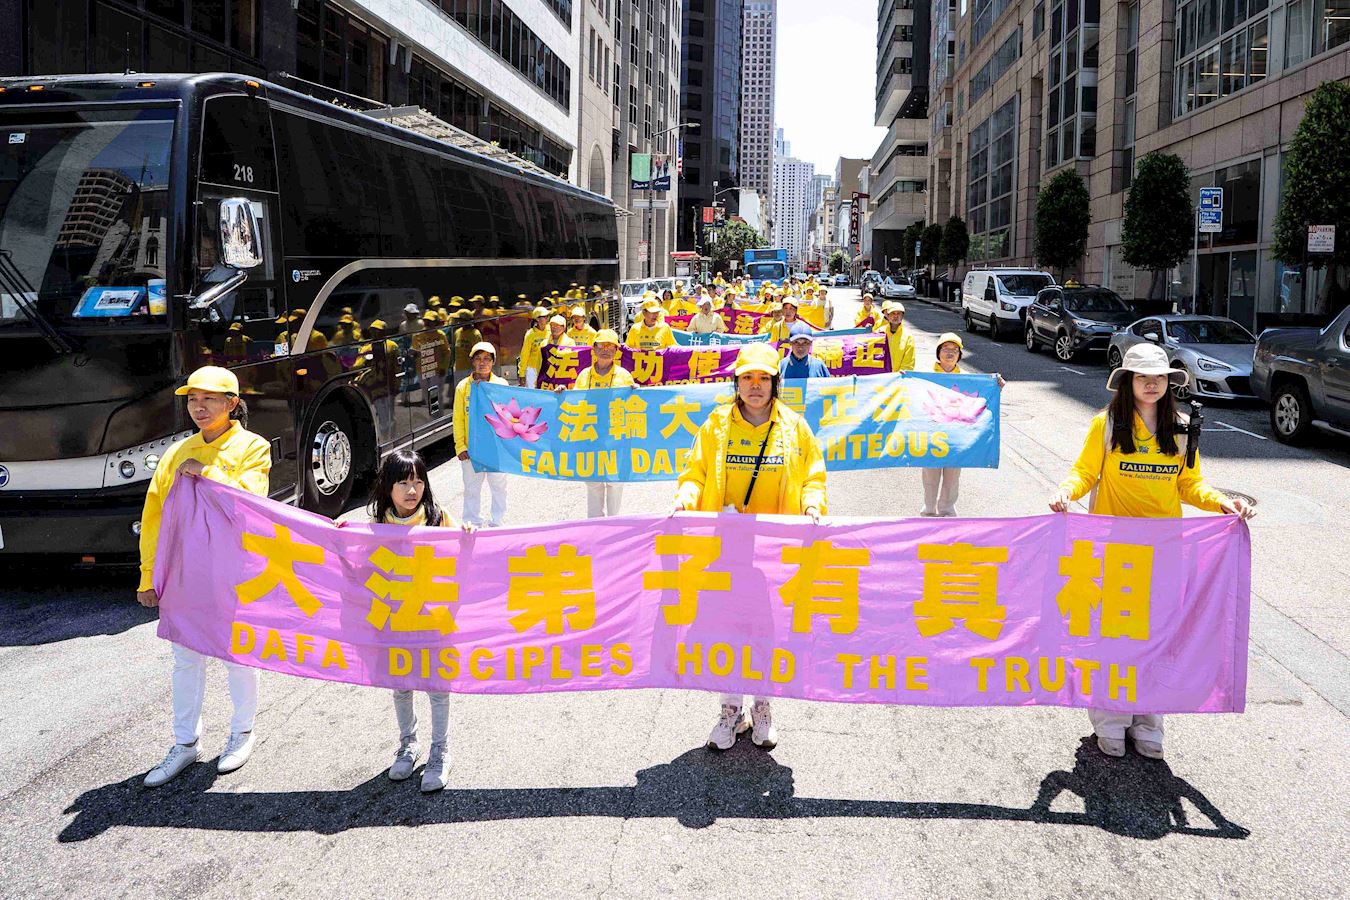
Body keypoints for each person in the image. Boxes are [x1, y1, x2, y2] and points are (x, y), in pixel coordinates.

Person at [1048, 342, 1256, 761]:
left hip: (1164, 553)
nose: (1151, 384)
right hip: (1114, 553)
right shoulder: (1106, 424)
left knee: (1158, 639)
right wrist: (1066, 493)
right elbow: (1085, 472)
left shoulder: (1181, 427)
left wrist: (1222, 503)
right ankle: (1110, 721)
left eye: (1159, 377)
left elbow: (1189, 484)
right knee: (1114, 638)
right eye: (1142, 377)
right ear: (1127, 382)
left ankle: (1148, 723)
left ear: (1169, 383)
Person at [672, 342, 827, 752]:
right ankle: (730, 710)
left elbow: (813, 477)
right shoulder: (716, 425)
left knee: (767, 630)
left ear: (775, 383)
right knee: (726, 628)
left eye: (763, 378)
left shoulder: (795, 428)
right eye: (747, 378)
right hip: (726, 549)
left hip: (775, 553)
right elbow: (695, 474)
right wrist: (685, 500)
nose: (755, 386)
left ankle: (762, 707)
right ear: (736, 383)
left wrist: (813, 504)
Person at [136, 366, 272, 788]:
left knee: (238, 655)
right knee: (186, 659)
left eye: (209, 398)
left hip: (234, 572)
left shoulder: (254, 447)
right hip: (183, 573)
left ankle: (242, 734)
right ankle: (185, 743)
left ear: (232, 403)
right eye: (193, 399)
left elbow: (251, 502)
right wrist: (148, 576)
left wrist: (206, 472)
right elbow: (154, 517)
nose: (199, 406)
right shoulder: (177, 453)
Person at [368, 448, 470, 792]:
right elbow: (360, 565)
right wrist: (339, 535)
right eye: (403, 483)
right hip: (396, 621)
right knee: (401, 686)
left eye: (418, 482)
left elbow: (463, 555)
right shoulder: (377, 525)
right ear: (387, 486)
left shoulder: (438, 518)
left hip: (433, 620)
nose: (412, 490)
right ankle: (408, 744)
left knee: (437, 687)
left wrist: (468, 535)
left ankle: (440, 751)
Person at [921, 333, 1005, 516]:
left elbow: (982, 398)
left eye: (955, 350)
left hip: (956, 436)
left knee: (952, 477)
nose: (950, 353)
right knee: (930, 475)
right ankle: (928, 511)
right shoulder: (924, 375)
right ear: (938, 352)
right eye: (946, 348)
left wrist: (996, 385)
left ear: (959, 355)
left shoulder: (968, 379)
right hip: (932, 434)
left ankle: (947, 510)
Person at [574, 329, 634, 517]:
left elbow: (634, 406)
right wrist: (562, 394)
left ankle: (614, 523)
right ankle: (595, 525)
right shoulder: (584, 375)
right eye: (601, 345)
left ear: (616, 350)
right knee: (593, 482)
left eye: (610, 346)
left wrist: (637, 393)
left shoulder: (624, 375)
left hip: (616, 438)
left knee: (615, 483)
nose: (606, 350)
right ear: (594, 348)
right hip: (591, 437)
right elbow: (574, 402)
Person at [454, 342, 509, 527]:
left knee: (499, 487)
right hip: (472, 449)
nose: (482, 363)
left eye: (487, 359)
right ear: (472, 361)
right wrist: (460, 446)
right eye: (478, 358)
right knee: (471, 489)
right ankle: (472, 523)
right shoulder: (463, 387)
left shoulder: (501, 385)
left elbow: (508, 417)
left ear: (493, 362)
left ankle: (498, 522)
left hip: (495, 450)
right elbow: (458, 419)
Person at [875, 300, 916, 371]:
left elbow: (909, 361)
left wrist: (902, 372)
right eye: (893, 313)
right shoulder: (879, 332)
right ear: (888, 315)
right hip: (881, 375)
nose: (896, 316)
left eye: (899, 313)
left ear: (902, 316)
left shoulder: (908, 337)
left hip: (899, 376)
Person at [517, 305, 551, 388]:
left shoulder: (551, 330)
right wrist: (522, 373)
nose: (547, 318)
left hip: (547, 367)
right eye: (544, 316)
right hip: (533, 369)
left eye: (547, 316)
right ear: (537, 319)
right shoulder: (530, 334)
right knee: (533, 391)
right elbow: (525, 354)